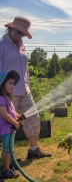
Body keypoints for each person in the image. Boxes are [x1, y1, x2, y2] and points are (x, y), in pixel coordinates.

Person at [0, 16, 51, 158]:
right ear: (11, 28)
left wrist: (27, 84)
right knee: (9, 122)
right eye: (17, 31)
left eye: (22, 33)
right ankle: (10, 154)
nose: (18, 34)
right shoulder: (2, 44)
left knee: (33, 117)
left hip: (24, 89)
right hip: (8, 92)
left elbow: (25, 68)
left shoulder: (22, 45)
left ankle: (33, 150)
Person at [0, 70, 21, 179]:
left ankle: (6, 165)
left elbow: (12, 112)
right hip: (6, 128)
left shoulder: (7, 98)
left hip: (10, 128)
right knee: (8, 149)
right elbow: (4, 114)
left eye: (13, 83)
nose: (12, 86)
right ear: (2, 84)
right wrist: (15, 123)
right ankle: (5, 170)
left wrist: (18, 116)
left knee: (7, 148)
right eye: (10, 83)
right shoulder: (1, 99)